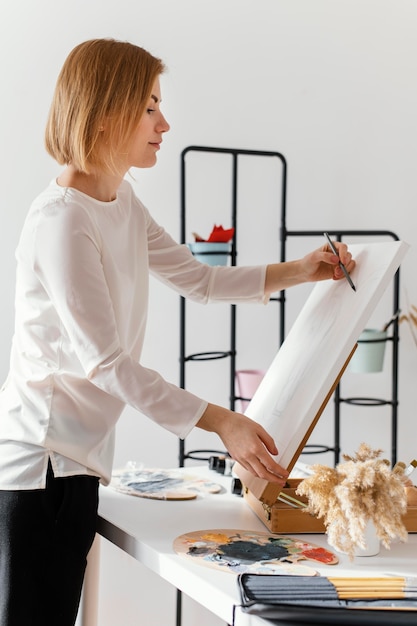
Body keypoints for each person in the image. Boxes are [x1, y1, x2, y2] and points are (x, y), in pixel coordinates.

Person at [0, 38, 355, 626]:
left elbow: (197, 279)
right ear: (106, 109)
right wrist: (223, 421)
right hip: (43, 471)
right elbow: (107, 362)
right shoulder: (61, 221)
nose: (165, 123)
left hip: (75, 465)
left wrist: (301, 270)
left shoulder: (121, 202)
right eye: (149, 107)